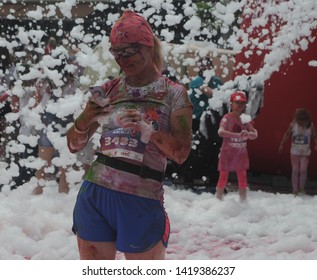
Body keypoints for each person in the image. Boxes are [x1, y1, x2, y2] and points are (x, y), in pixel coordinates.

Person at [66, 10, 192, 260]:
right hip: (95, 194)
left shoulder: (173, 94)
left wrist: (150, 131)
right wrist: (85, 117)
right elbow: (74, 145)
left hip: (141, 196)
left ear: (148, 46)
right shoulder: (108, 89)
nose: (123, 58)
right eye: (117, 51)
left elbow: (181, 153)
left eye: (130, 50)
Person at [32, 47, 79, 195]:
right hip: (66, 120)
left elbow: (39, 101)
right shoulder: (72, 81)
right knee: (64, 158)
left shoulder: (46, 81)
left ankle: (39, 188)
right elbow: (75, 103)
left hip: (48, 120)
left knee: (43, 157)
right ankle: (63, 187)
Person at [215, 91, 258, 201]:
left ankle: (243, 200)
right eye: (237, 103)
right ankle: (218, 199)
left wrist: (248, 134)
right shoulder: (227, 118)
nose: (240, 106)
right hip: (227, 152)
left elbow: (255, 134)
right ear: (231, 104)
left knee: (242, 176)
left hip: (240, 153)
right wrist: (237, 135)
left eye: (242, 103)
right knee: (223, 176)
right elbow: (221, 131)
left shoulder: (245, 119)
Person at [278, 108, 317, 195]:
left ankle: (302, 188)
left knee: (303, 170)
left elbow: (315, 136)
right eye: (300, 122)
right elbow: (287, 134)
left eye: (303, 122)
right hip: (294, 153)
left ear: (307, 120)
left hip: (305, 153)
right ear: (296, 120)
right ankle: (295, 190)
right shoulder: (293, 125)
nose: (301, 124)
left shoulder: (311, 126)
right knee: (295, 170)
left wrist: (316, 144)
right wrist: (281, 144)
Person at [189, 56, 223, 133]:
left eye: (208, 65)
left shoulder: (217, 81)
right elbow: (210, 93)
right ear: (200, 67)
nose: (206, 68)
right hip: (197, 119)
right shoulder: (196, 81)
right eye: (204, 66)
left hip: (211, 119)